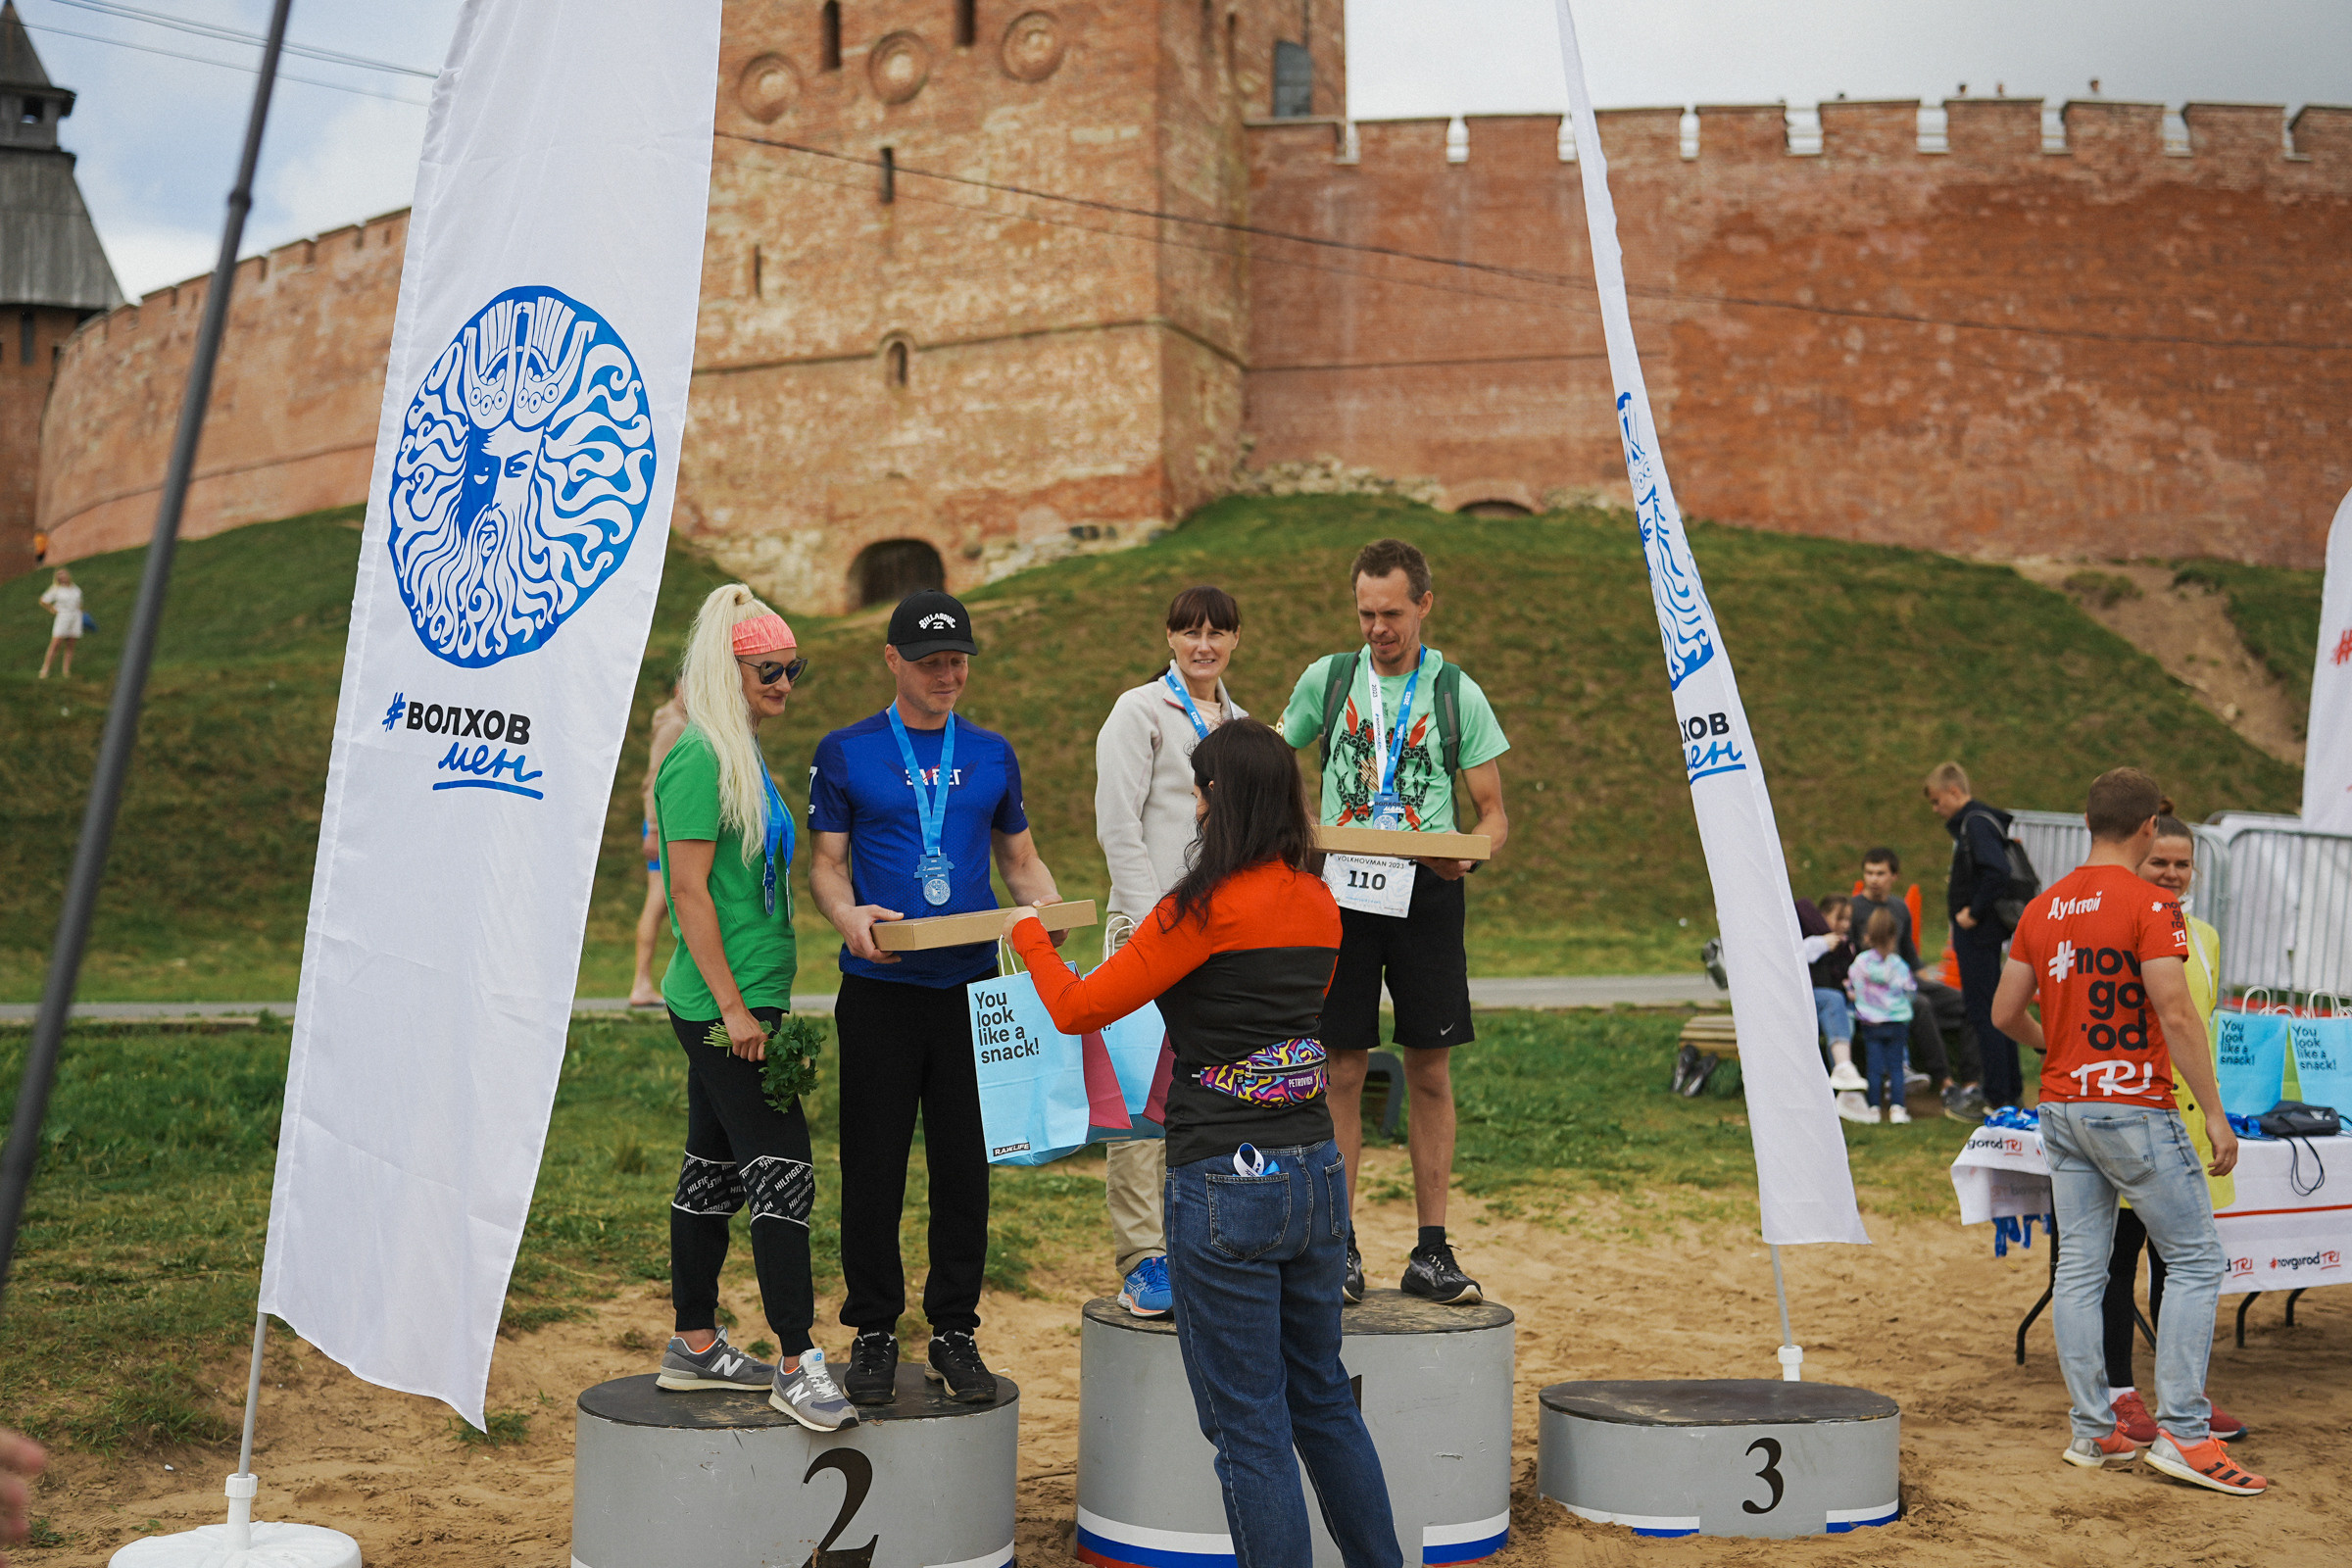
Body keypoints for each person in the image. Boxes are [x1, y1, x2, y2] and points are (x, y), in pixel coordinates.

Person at [1009, 719, 1400, 1568]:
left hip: (1224, 1179)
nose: (1192, 804)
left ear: (1222, 801)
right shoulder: (1318, 901)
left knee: (1250, 1430)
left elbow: (1080, 1010)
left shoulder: (1198, 910)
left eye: (1198, 790)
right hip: (1316, 1172)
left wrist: (1030, 938)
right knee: (1325, 1401)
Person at [810, 589, 1067, 1406]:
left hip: (970, 989)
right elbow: (825, 865)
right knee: (875, 1166)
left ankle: (955, 1328)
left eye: (957, 658)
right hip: (881, 991)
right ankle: (875, 1331)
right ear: (892, 661)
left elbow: (1020, 861)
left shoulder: (991, 752)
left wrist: (1051, 912)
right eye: (930, 662)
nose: (948, 673)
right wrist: (848, 914)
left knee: (965, 1168)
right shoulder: (846, 751)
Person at [1990, 767, 2265, 1494]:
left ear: (2087, 822)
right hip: (2135, 1105)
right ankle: (2184, 1432)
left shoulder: (2043, 906)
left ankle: (2094, 1427)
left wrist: (2060, 1048)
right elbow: (2176, 1013)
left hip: (2063, 1105)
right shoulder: (2152, 903)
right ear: (2149, 828)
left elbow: (2002, 1012)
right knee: (2199, 1260)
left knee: (2080, 1269)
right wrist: (2211, 1110)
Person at [1279, 538, 1509, 1307]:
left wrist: (1467, 860)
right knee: (1341, 1069)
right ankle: (1338, 1248)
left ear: (1424, 606)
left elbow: (1494, 814)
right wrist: (1304, 829)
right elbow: (1274, 762)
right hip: (1341, 890)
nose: (1379, 628)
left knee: (1430, 1070)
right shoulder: (1330, 679)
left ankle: (1432, 1251)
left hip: (1427, 892)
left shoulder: (1456, 692)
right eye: (1367, 613)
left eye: (1393, 614)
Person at [650, 585, 853, 1432]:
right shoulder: (698, 756)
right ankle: (798, 1358)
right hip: (720, 1004)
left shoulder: (742, 755)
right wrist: (734, 1009)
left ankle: (694, 1345)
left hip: (749, 996)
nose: (786, 683)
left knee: (713, 1172)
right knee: (783, 1170)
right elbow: (689, 891)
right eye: (771, 670)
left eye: (792, 668)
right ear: (728, 669)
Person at [1093, 584, 1247, 1318]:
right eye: (1190, 632)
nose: (1203, 644)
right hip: (1149, 931)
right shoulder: (1139, 710)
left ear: (1235, 641)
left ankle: (1197, 1239)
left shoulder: (1244, 725)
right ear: (1170, 638)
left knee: (1205, 1091)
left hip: (1218, 938)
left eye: (1217, 632)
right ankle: (1141, 1258)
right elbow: (1118, 824)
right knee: (1137, 1103)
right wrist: (1156, 920)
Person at [2101, 810, 2246, 1446]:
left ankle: (2180, 1396)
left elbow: (2199, 1028)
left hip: (2186, 1130)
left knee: (2179, 1269)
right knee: (2116, 1264)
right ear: (2137, 861)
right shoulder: (2116, 928)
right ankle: (2117, 1396)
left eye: (2182, 863)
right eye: (2159, 861)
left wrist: (2214, 1113)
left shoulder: (2206, 936)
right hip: (2131, 1126)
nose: (2170, 873)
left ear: (2195, 871)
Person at [1927, 761, 2021, 1116]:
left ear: (1954, 791)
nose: (1937, 810)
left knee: (1986, 1012)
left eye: (1938, 801)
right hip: (1983, 933)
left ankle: (1996, 1096)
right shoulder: (1977, 822)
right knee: (1996, 1009)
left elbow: (1997, 870)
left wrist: (1973, 912)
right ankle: (2007, 1089)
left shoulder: (1975, 823)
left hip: (1979, 932)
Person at [1850, 848, 1958, 1100]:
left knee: (1962, 1002)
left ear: (1894, 876)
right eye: (1869, 873)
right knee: (1920, 1004)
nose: (1874, 879)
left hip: (1902, 976)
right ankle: (1943, 1080)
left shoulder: (1899, 907)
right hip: (1873, 987)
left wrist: (1925, 980)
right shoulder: (1853, 908)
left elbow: (1910, 955)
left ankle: (1974, 1082)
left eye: (1880, 873)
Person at [630, 684, 691, 1007]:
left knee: (663, 902)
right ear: (679, 687)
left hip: (667, 824)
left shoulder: (679, 722)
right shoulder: (674, 727)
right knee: (657, 902)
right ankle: (641, 983)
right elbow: (654, 777)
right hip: (662, 826)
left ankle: (644, 981)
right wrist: (652, 829)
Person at [1799, 894, 1869, 1122]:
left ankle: (1846, 1093)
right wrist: (1821, 944)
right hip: (1813, 1000)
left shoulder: (1846, 946)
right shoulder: (1811, 940)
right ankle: (1844, 1072)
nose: (1844, 925)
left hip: (1841, 1004)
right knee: (1834, 1001)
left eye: (1848, 919)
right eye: (1839, 918)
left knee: (1843, 1014)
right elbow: (1798, 957)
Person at [1849, 908, 1917, 1124]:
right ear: (1893, 936)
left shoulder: (1861, 963)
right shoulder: (1898, 965)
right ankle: (1898, 1108)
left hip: (1871, 1022)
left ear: (1868, 935)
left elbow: (1852, 987)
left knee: (1874, 1066)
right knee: (1896, 1066)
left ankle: (1874, 1108)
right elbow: (1910, 989)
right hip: (1897, 1021)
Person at [36, 568, 80, 679]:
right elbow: (43, 600)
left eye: (64, 574)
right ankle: (45, 669)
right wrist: (51, 609)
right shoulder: (56, 589)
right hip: (63, 616)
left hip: (75, 616)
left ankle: (66, 671)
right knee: (56, 643)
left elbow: (79, 603)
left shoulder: (75, 588)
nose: (63, 577)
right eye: (60, 575)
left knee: (70, 644)